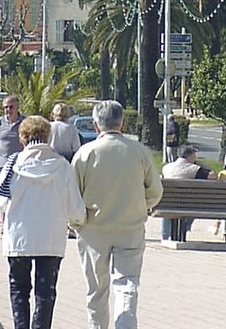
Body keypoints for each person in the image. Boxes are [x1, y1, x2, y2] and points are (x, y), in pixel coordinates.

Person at [71, 100, 163, 329]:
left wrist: (77, 222)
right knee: (127, 283)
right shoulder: (139, 151)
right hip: (130, 228)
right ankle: (125, 324)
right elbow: (155, 190)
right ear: (122, 124)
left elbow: (72, 196)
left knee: (96, 290)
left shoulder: (85, 153)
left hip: (93, 229)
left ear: (95, 125)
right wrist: (143, 207)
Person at [0, 115, 85, 329]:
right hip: (51, 240)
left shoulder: (12, 164)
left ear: (23, 138)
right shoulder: (62, 166)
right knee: (45, 294)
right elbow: (74, 206)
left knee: (19, 289)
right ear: (48, 136)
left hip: (19, 239)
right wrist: (80, 221)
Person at [161, 145, 216, 242]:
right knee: (193, 204)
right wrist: (201, 164)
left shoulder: (166, 168)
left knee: (170, 204)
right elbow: (214, 175)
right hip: (187, 205)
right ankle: (183, 230)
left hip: (167, 204)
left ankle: (165, 235)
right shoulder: (194, 169)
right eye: (194, 155)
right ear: (189, 156)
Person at [0, 95, 25, 170]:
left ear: (17, 108)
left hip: (20, 165)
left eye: (11, 107)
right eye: (6, 107)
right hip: (3, 165)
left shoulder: (25, 122)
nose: (8, 109)